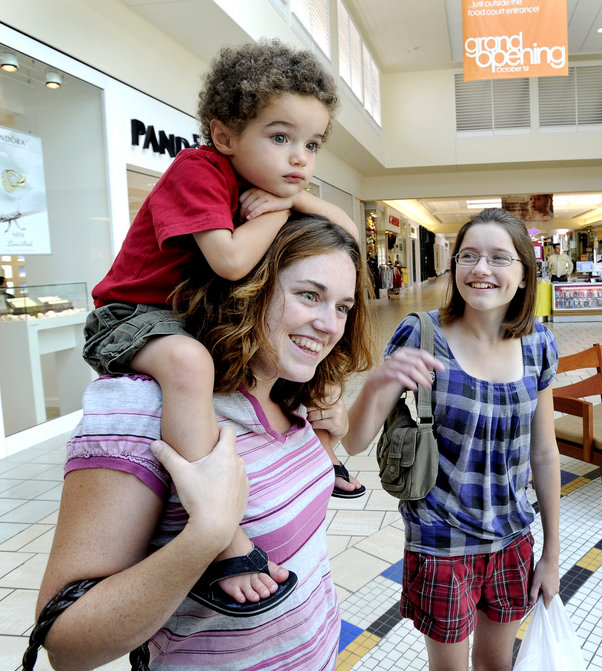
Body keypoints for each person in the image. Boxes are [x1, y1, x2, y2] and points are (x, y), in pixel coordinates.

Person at [84, 39, 364, 608]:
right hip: (127, 317)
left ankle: (314, 462)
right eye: (280, 137)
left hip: (180, 313)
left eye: (312, 144)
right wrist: (287, 208)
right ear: (225, 136)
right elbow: (232, 261)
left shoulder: (258, 188)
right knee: (190, 363)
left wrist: (297, 205)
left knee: (285, 350)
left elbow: (346, 233)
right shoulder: (197, 170)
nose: (299, 160)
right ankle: (222, 537)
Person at [32, 215, 374, 670]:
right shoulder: (144, 404)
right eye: (309, 295)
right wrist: (209, 533)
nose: (330, 325)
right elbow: (66, 643)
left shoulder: (286, 391)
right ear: (247, 287)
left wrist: (329, 434)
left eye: (342, 307)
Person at [343, 208, 562, 671]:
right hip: (440, 542)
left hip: (513, 538)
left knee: (496, 666)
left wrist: (551, 555)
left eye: (500, 258)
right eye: (469, 256)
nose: (481, 269)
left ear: (524, 276)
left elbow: (544, 453)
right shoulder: (423, 335)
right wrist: (378, 381)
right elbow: (354, 441)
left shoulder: (538, 343)